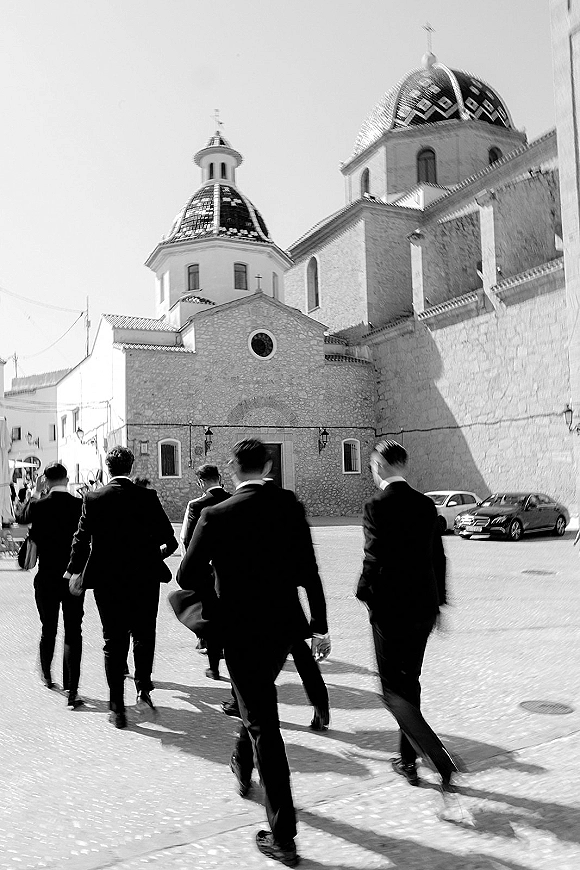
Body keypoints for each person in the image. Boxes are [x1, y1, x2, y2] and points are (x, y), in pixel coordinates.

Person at [177, 438, 329, 867]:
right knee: (257, 700)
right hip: (282, 627)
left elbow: (186, 573)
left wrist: (217, 595)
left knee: (264, 724)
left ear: (232, 469)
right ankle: (242, 766)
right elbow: (309, 570)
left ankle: (284, 838)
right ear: (268, 465)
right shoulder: (290, 506)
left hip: (240, 631)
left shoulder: (215, 514)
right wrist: (318, 623)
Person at [355, 439, 458, 791]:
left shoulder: (376, 505)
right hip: (423, 606)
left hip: (389, 608)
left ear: (380, 466)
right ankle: (408, 760)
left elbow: (374, 555)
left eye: (372, 466)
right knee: (409, 682)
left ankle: (436, 756)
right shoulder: (426, 505)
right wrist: (439, 603)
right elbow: (438, 558)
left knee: (390, 690)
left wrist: (362, 591)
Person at [65, 447, 178, 729]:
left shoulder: (93, 498)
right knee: (143, 635)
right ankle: (143, 691)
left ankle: (117, 708)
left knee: (113, 642)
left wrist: (73, 572)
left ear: (107, 466)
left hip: (107, 580)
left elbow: (81, 539)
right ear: (131, 467)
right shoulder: (147, 497)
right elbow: (169, 538)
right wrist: (154, 556)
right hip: (145, 579)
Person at [221, 475, 330, 730]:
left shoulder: (249, 513)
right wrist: (319, 626)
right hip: (289, 609)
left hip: (257, 610)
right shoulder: (287, 511)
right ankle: (321, 707)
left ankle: (244, 711)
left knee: (254, 672)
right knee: (303, 659)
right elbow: (310, 575)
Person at [22, 464, 84, 707]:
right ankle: (72, 690)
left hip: (46, 577)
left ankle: (47, 676)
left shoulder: (39, 504)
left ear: (45, 481)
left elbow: (21, 516)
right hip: (72, 577)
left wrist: (36, 493)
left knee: (49, 628)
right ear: (67, 479)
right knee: (73, 630)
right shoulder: (80, 505)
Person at [178, 464, 230, 678]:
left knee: (210, 614)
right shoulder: (234, 499)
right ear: (219, 478)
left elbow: (188, 540)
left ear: (200, 482)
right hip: (231, 567)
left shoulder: (196, 505)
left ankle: (214, 667)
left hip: (206, 569)